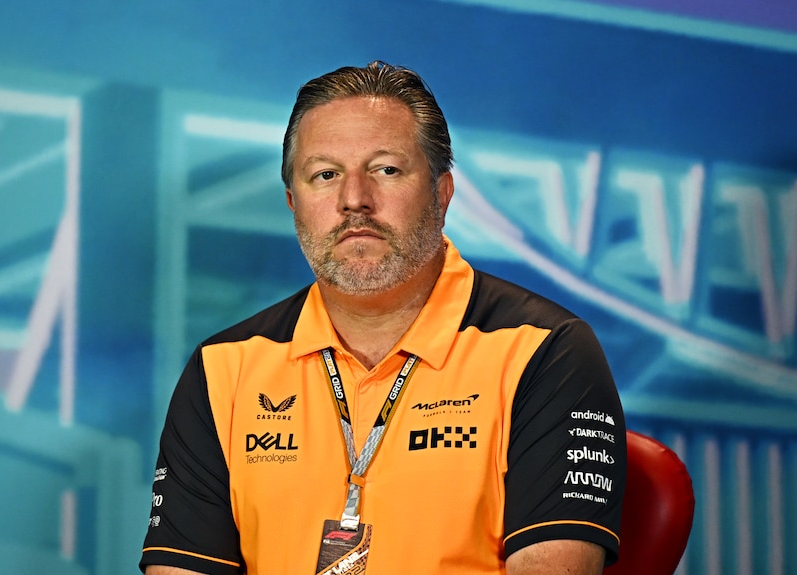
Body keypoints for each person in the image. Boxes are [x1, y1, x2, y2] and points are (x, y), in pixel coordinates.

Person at [140, 61, 626, 575]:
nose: (354, 200)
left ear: (442, 193)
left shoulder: (544, 351)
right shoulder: (223, 369)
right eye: (324, 175)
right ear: (292, 203)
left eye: (386, 170)